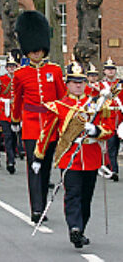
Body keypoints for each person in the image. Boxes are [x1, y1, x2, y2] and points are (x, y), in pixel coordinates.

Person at [33, 61, 115, 248]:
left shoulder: (96, 104)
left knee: (86, 197)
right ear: (67, 83)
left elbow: (109, 128)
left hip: (91, 157)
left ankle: (81, 229)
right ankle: (74, 228)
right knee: (73, 193)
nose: (78, 85)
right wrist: (39, 156)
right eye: (74, 81)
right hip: (70, 158)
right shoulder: (59, 106)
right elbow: (47, 133)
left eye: (81, 81)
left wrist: (96, 131)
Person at [11, 10, 67, 223]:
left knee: (45, 167)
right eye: (33, 51)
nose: (36, 53)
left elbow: (62, 98)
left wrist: (64, 123)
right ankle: (37, 208)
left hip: (51, 124)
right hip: (32, 125)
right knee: (34, 165)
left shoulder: (54, 70)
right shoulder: (20, 74)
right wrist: (16, 121)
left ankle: (42, 200)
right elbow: (17, 100)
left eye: (39, 50)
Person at [0, 51, 19, 174]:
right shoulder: (1, 79)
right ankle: (10, 161)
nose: (11, 69)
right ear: (6, 68)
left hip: (16, 111)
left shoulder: (19, 79)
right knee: (8, 136)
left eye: (13, 66)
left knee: (15, 136)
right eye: (9, 66)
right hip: (5, 111)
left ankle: (13, 154)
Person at [100, 57, 122, 182]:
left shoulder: (121, 83)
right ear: (104, 71)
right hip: (108, 118)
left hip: (120, 118)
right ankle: (114, 170)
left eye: (112, 69)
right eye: (108, 69)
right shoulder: (101, 85)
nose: (111, 71)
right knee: (111, 147)